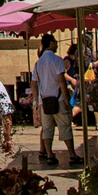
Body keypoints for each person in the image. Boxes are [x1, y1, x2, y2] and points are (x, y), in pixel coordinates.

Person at [33, 34, 75, 167]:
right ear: (50, 43)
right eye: (55, 42)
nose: (56, 45)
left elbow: (33, 83)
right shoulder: (57, 60)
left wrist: (38, 99)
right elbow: (62, 81)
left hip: (45, 101)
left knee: (47, 128)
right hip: (58, 99)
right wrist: (67, 100)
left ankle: (50, 154)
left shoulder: (38, 63)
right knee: (65, 126)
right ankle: (72, 154)